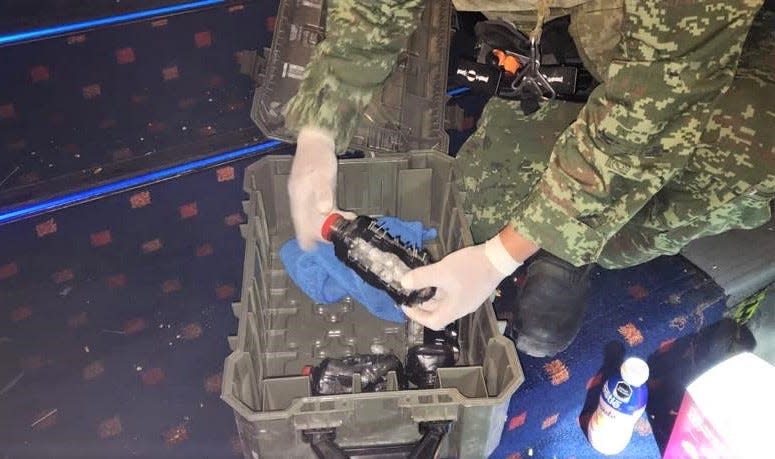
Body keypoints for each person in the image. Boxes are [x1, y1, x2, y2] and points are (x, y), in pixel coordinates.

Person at [284, 0, 774, 357]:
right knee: (474, 214)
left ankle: (573, 237)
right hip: (564, 40)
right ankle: (569, 222)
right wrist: (320, 126)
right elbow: (375, 11)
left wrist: (501, 256)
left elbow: (661, 99)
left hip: (701, 52)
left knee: (749, 157)